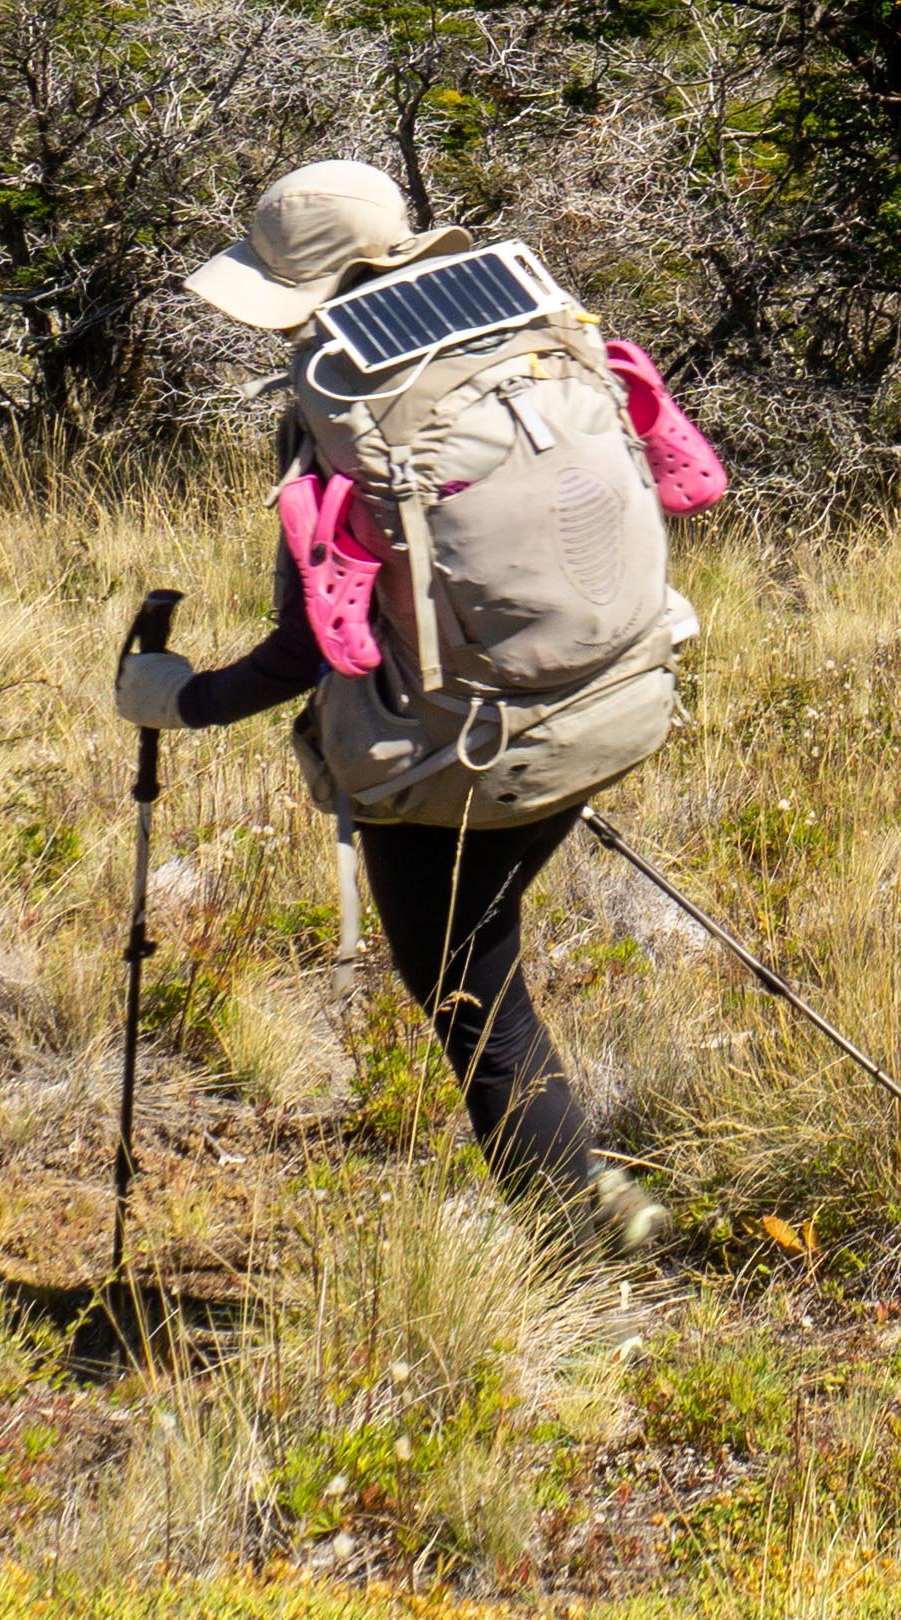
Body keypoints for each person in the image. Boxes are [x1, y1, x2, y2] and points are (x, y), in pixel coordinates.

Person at [112, 156, 727, 1253]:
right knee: (486, 953)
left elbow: (307, 647)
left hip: (466, 761)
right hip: (621, 696)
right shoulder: (532, 333)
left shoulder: (351, 406)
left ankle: (582, 1239)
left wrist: (181, 700)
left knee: (470, 996)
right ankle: (589, 1193)